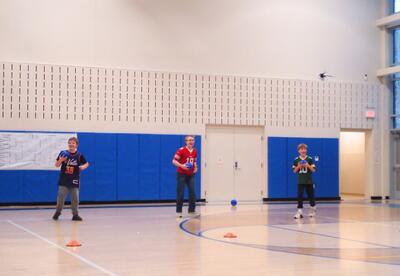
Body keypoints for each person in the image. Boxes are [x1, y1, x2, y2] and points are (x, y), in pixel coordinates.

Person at [52, 137, 89, 221]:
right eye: (70, 143)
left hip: (74, 179)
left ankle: (75, 215)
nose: (71, 144)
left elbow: (87, 163)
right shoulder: (63, 153)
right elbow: (57, 165)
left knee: (75, 198)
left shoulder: (79, 155)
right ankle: (58, 212)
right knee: (61, 197)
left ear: (76, 145)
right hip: (64, 179)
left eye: (73, 143)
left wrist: (82, 167)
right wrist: (61, 160)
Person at [172, 135, 198, 218]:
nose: (191, 141)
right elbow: (174, 161)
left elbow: (194, 161)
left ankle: (191, 211)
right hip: (181, 174)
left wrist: (196, 167)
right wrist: (182, 165)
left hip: (191, 175)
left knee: (192, 193)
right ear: (186, 141)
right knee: (180, 193)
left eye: (192, 140)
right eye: (189, 140)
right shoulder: (181, 150)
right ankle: (178, 212)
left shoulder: (195, 151)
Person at [292, 143, 316, 219]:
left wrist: (307, 165)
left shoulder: (310, 159)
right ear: (298, 151)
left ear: (306, 150)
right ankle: (299, 212)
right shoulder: (296, 160)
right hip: (300, 181)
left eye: (304, 149)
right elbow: (294, 171)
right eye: (301, 149)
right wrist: (299, 166)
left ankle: (312, 209)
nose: (303, 150)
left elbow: (313, 170)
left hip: (309, 181)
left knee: (311, 196)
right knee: (300, 196)